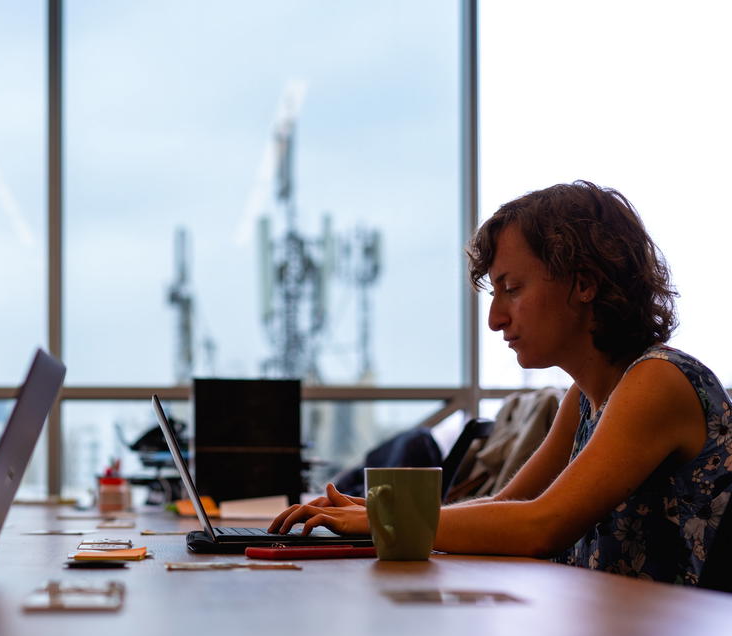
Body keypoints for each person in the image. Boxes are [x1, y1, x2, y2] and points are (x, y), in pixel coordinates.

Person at [268, 180, 732, 585]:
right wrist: (376, 516)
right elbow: (511, 503)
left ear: (585, 283)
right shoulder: (588, 397)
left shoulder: (657, 381)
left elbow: (540, 525)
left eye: (512, 289)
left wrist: (382, 519)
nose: (494, 319)